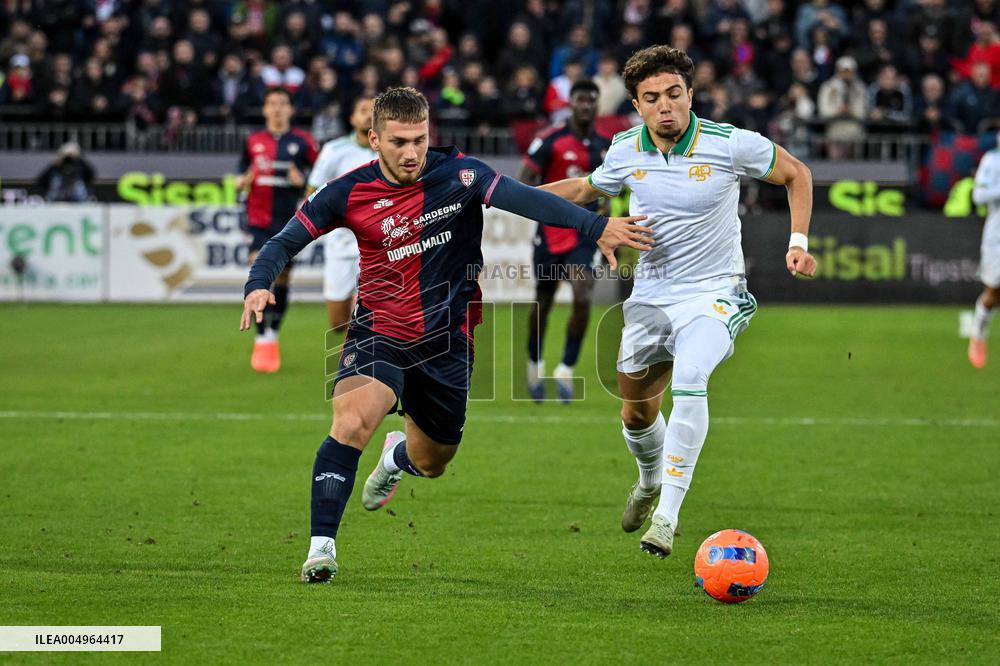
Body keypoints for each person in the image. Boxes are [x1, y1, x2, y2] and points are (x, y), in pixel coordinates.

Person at [238, 87, 653, 583]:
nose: (411, 152)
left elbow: (527, 201)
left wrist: (594, 226)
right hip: (377, 332)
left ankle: (395, 457)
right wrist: (258, 283)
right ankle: (320, 549)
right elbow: (284, 240)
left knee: (432, 462)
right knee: (351, 423)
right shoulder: (346, 192)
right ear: (374, 139)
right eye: (398, 142)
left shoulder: (462, 175)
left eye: (419, 139)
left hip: (447, 343)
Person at [536, 46, 815, 558]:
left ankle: (667, 516)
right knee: (636, 414)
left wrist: (797, 242)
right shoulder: (625, 150)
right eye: (651, 98)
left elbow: (797, 173)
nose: (665, 106)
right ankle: (647, 483)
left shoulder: (730, 144)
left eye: (673, 94)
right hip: (651, 297)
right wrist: (499, 194)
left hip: (716, 292)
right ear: (637, 107)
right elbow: (584, 188)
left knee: (690, 379)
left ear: (690, 94)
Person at [518, 79, 611, 403]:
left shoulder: (604, 145)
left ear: (597, 106)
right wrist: (545, 209)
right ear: (571, 104)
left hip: (586, 232)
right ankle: (535, 362)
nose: (586, 106)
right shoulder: (550, 140)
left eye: (591, 101)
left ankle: (566, 368)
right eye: (581, 100)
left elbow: (610, 188)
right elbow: (524, 181)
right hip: (551, 231)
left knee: (583, 295)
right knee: (543, 302)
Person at [237, 87, 318, 373]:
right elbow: (240, 174)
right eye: (272, 103)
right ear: (265, 109)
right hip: (258, 219)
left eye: (282, 104)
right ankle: (261, 338)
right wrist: (241, 182)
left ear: (290, 109)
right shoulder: (253, 141)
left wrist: (303, 179)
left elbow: (319, 179)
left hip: (290, 223)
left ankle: (273, 332)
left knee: (282, 279)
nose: (277, 109)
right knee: (259, 272)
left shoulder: (304, 142)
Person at [306, 97, 377, 331]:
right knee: (338, 324)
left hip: (380, 244)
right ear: (352, 118)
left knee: (377, 321)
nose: (368, 115)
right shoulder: (334, 150)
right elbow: (313, 191)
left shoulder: (393, 150)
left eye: (373, 111)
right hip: (341, 243)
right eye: (363, 110)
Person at [968, 129, 1000, 369]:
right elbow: (978, 195)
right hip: (997, 234)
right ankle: (978, 334)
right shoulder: (992, 160)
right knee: (994, 290)